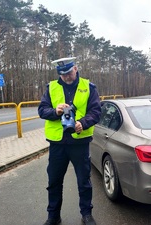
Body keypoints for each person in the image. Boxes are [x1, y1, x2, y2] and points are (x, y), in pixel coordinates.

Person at [38, 57, 101, 225]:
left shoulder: (88, 87)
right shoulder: (51, 88)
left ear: (75, 68)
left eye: (68, 72)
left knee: (84, 181)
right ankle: (53, 216)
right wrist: (55, 112)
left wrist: (83, 123)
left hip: (79, 143)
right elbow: (42, 111)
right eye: (62, 74)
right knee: (54, 182)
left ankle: (86, 214)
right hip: (58, 144)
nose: (66, 77)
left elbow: (96, 111)